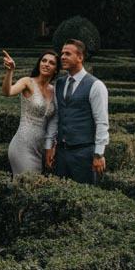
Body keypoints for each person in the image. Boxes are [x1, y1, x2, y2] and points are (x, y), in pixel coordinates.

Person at [45, 39, 110, 185]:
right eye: (62, 53)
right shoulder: (59, 83)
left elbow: (102, 122)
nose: (62, 57)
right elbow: (56, 117)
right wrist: (49, 146)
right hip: (61, 153)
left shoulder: (96, 85)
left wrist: (99, 154)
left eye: (68, 54)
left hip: (84, 153)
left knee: (85, 194)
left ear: (80, 57)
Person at [2, 49, 59, 176]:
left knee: (34, 186)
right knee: (26, 183)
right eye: (44, 61)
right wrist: (10, 71)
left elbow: (54, 122)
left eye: (51, 63)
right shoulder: (27, 82)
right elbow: (7, 92)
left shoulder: (54, 90)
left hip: (41, 148)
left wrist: (52, 146)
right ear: (39, 63)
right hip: (23, 146)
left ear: (56, 69)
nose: (46, 64)